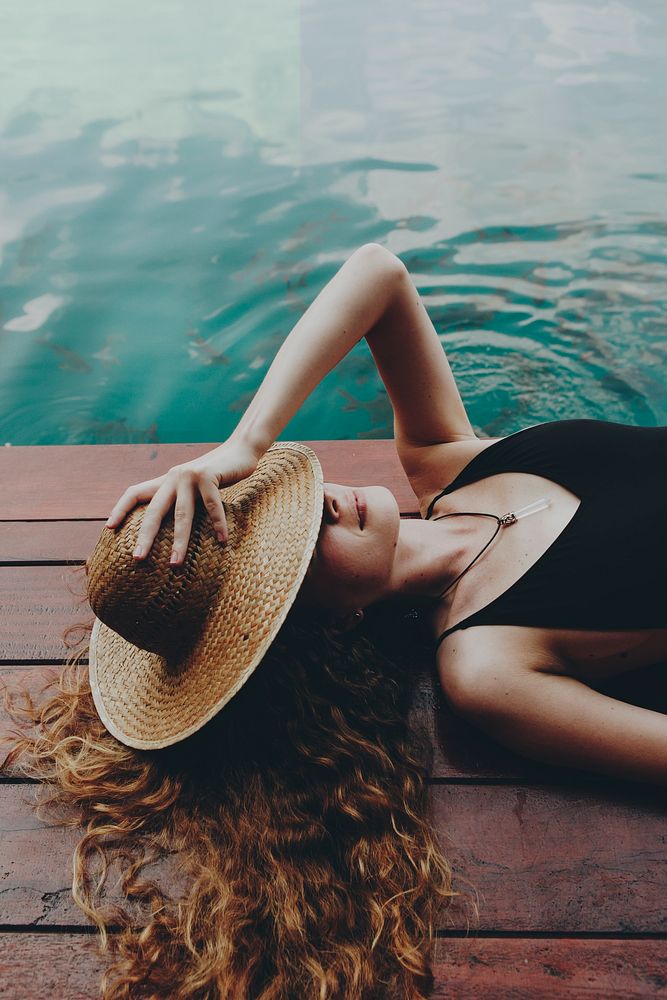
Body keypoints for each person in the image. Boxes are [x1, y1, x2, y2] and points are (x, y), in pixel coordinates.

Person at [2, 242, 665, 1000]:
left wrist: (242, 445)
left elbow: (377, 272)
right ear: (330, 624)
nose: (314, 507)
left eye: (272, 507)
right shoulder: (489, 669)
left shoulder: (445, 463)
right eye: (291, 555)